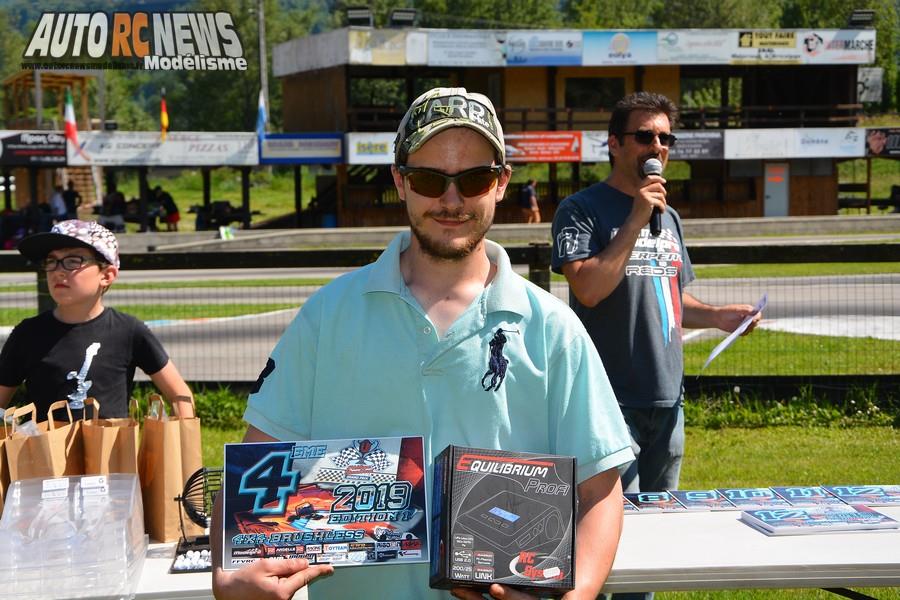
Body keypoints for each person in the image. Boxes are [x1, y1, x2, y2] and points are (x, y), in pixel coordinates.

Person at [211, 87, 635, 600]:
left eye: (474, 179)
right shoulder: (327, 316)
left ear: (501, 183)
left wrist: (579, 594)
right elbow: (256, 466)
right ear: (400, 181)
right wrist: (228, 574)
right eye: (430, 179)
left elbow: (599, 491)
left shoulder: (552, 327)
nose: (451, 200)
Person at [551, 92, 761, 525]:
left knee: (662, 527)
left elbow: (669, 293)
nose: (657, 148)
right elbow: (589, 288)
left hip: (668, 400)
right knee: (613, 528)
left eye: (666, 138)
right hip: (607, 401)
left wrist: (720, 317)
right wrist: (634, 218)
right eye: (645, 136)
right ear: (614, 143)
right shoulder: (580, 210)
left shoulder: (670, 217)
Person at [0, 219, 195, 420]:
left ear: (107, 275)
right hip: (45, 450)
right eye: (51, 261)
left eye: (73, 261)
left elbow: (180, 395)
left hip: (110, 450)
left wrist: (182, 445)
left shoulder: (128, 331)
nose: (58, 271)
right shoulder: (28, 334)